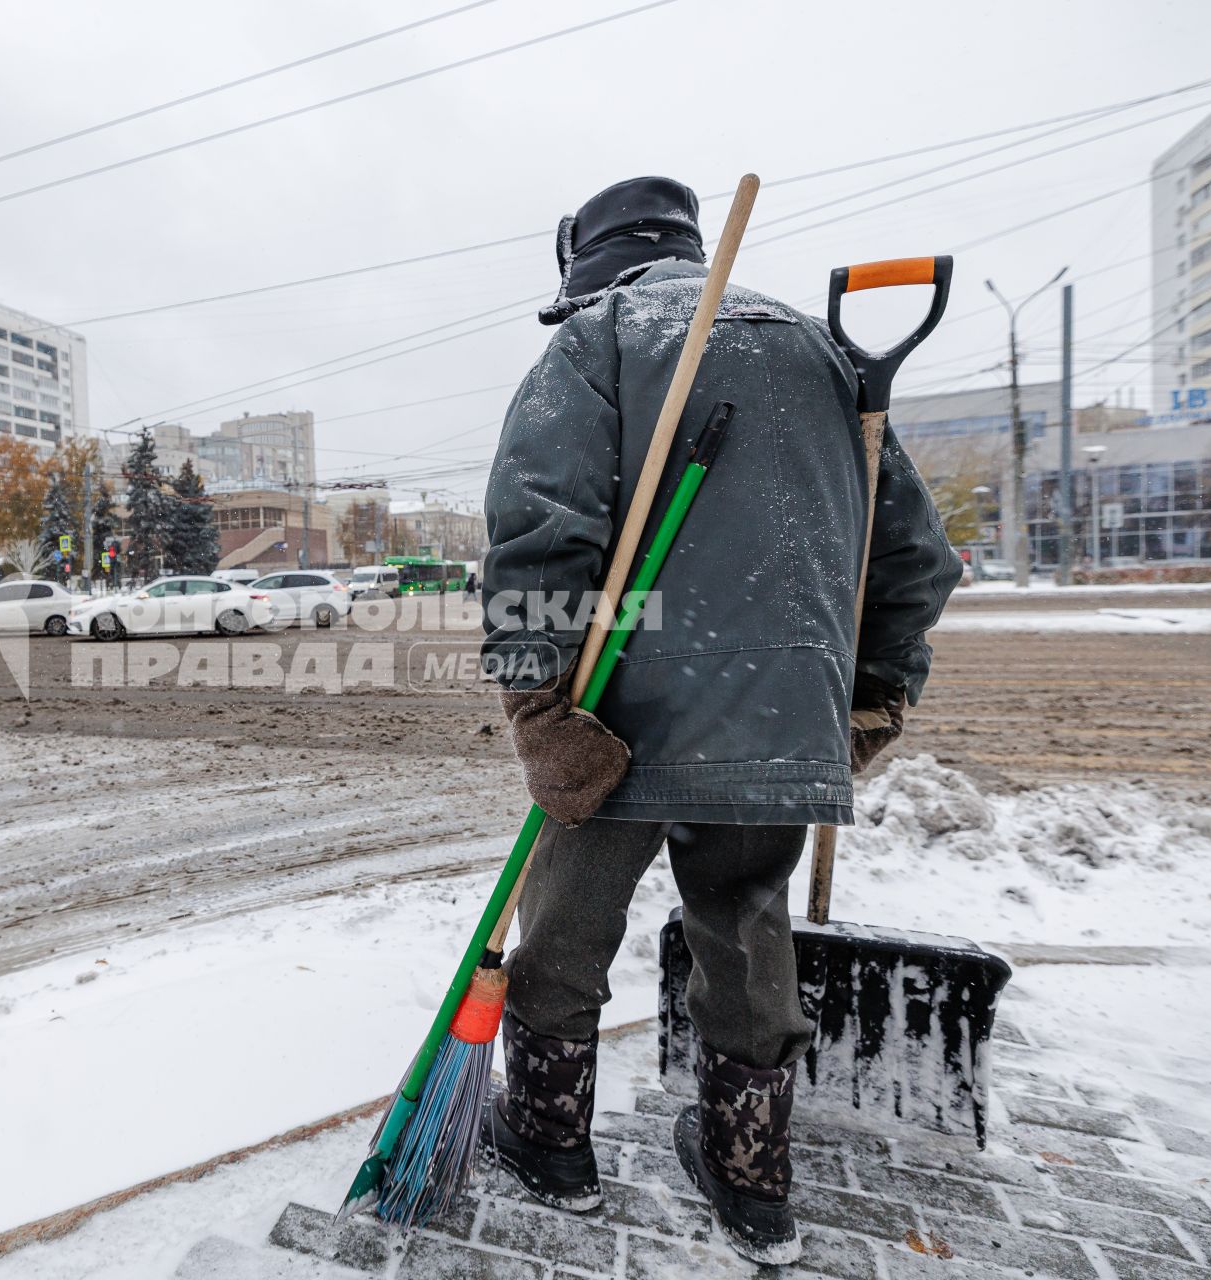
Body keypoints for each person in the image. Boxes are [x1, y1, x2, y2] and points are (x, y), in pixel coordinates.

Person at [478, 176, 957, 1263]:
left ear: (585, 268)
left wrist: (538, 702)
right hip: (780, 716)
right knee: (746, 921)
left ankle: (549, 1140)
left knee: (564, 930)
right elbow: (916, 555)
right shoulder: (827, 354)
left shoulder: (596, 340)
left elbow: (533, 535)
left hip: (617, 716)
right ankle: (752, 1175)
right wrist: (879, 684)